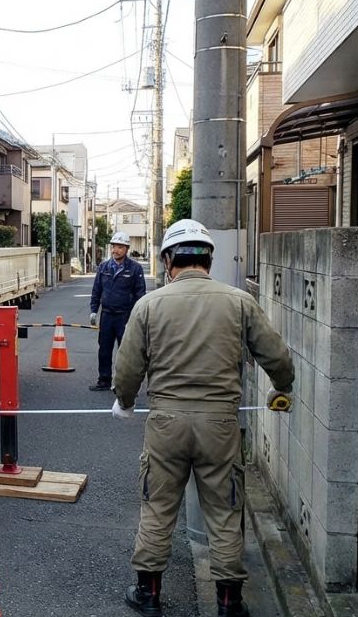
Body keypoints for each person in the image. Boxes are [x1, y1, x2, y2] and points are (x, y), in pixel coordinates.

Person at [110, 219, 294, 617]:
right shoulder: (239, 301)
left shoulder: (149, 305)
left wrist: (124, 401)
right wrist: (282, 387)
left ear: (167, 260)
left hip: (166, 423)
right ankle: (229, 603)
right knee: (225, 510)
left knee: (158, 506)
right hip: (220, 424)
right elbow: (277, 357)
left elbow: (127, 368)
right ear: (209, 259)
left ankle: (149, 594)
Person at [88, 231, 147, 391]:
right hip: (107, 315)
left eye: (120, 247)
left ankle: (125, 383)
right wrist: (94, 310)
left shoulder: (135, 269)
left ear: (127, 248)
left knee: (126, 352)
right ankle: (104, 380)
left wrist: (137, 317)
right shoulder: (104, 267)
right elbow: (96, 290)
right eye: (114, 246)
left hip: (125, 316)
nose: (116, 250)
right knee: (104, 350)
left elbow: (140, 295)